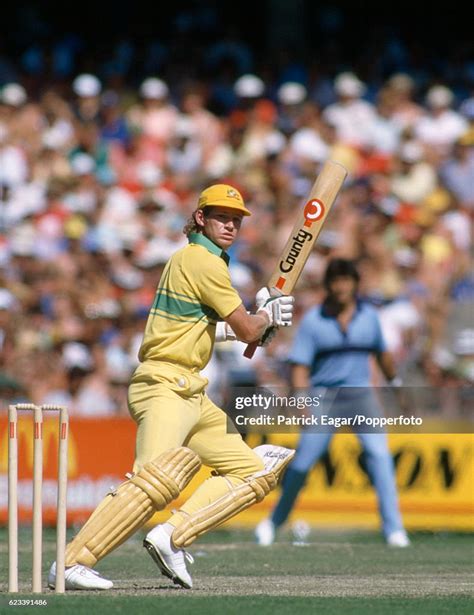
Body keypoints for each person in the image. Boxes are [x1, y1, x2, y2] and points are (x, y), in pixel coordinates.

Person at [48, 183, 295, 590]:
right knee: (155, 482)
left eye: (236, 219)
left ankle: (171, 536)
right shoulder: (202, 261)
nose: (230, 225)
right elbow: (250, 328)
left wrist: (258, 323)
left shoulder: (191, 261)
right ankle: (70, 563)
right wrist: (265, 317)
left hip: (192, 391)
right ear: (200, 217)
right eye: (221, 217)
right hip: (164, 384)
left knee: (252, 473)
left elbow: (197, 329)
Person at [255, 258, 410, 548]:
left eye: (346, 280)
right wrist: (301, 400)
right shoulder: (315, 320)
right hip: (324, 397)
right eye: (336, 280)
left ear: (354, 284)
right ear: (328, 284)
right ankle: (273, 523)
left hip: (361, 396)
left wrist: (397, 384)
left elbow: (382, 354)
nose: (341, 286)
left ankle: (394, 529)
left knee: (381, 457)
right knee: (302, 463)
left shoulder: (369, 317)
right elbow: (300, 366)